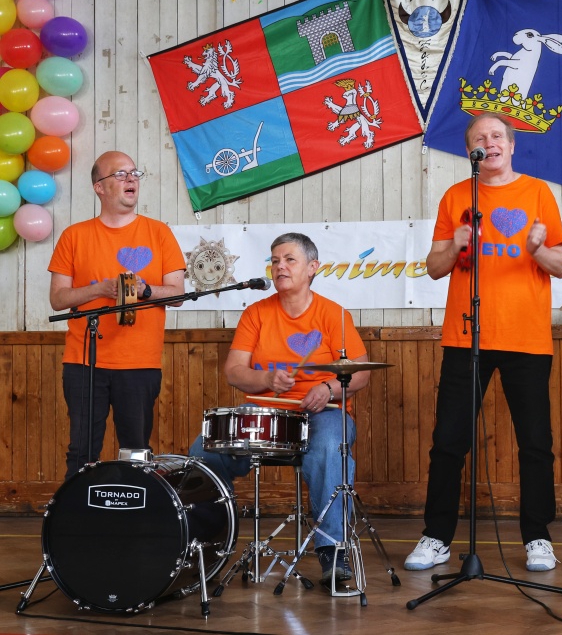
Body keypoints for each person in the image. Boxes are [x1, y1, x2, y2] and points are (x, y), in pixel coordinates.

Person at [404, 113, 562, 573]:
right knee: (448, 442)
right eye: (481, 138)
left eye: (498, 136)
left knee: (535, 443)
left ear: (512, 146)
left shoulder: (538, 193)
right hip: (466, 335)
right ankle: (437, 536)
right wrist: (453, 244)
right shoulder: (457, 195)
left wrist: (537, 249)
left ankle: (538, 537)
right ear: (470, 151)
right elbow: (434, 268)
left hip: (526, 337)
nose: (490, 142)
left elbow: (561, 265)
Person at [188, 232, 370, 589]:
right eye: (275, 260)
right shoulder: (256, 313)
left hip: (324, 413)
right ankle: (209, 544)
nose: (280, 267)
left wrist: (327, 389)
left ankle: (332, 551)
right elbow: (234, 372)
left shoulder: (334, 315)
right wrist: (267, 378)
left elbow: (361, 373)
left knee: (328, 445)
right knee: (204, 451)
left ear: (312, 267)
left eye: (289, 260)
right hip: (267, 414)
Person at [49, 151, 186, 480]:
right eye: (121, 174)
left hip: (140, 362)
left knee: (137, 450)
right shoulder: (74, 235)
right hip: (84, 361)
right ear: (99, 187)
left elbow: (179, 294)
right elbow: (58, 299)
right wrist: (100, 290)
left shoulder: (160, 233)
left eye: (134, 173)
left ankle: (137, 511)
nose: (131, 179)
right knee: (82, 450)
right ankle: (77, 511)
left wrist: (144, 290)